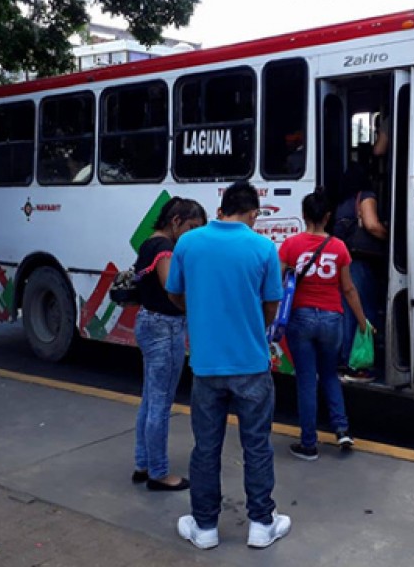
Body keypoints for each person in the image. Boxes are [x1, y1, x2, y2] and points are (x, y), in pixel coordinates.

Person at [166, 182, 291, 551]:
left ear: (221, 208)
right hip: (252, 365)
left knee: (206, 447)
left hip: (206, 366)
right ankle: (261, 523)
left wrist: (201, 310)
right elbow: (271, 306)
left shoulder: (188, 243)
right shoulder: (264, 248)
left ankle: (204, 528)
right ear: (253, 213)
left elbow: (175, 294)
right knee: (257, 446)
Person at [278, 188, 369, 461]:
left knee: (306, 379)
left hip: (301, 318)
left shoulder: (291, 245)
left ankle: (308, 444)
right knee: (330, 375)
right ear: (328, 217)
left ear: (304, 215)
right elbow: (349, 289)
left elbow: (275, 280)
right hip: (332, 319)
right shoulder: (339, 247)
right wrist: (363, 322)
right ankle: (341, 429)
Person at [132, 196, 207, 492]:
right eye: (191, 227)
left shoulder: (149, 243)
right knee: (161, 403)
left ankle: (143, 463)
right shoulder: (164, 249)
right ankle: (159, 472)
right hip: (165, 326)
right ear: (175, 222)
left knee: (150, 399)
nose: (193, 234)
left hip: (148, 322)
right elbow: (171, 287)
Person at [332, 162, 388, 383]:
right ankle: (360, 364)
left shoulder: (342, 203)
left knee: (347, 311)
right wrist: (393, 238)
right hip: (361, 261)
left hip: (344, 260)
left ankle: (346, 360)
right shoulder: (365, 195)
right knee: (364, 311)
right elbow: (372, 225)